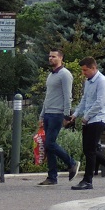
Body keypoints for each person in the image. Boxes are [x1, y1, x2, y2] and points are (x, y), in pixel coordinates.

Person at [65, 57, 105, 190]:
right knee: (89, 150)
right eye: (82, 70)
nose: (83, 73)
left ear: (93, 68)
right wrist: (75, 114)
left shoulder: (103, 82)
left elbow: (99, 103)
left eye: (85, 70)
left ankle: (87, 180)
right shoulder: (88, 81)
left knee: (90, 151)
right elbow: (84, 100)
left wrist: (86, 116)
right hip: (89, 120)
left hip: (98, 120)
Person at [37, 49, 78, 185]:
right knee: (48, 146)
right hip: (48, 113)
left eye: (53, 56)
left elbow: (68, 96)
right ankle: (52, 176)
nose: (50, 58)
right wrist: (42, 115)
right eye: (49, 56)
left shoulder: (65, 75)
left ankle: (71, 163)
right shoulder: (51, 75)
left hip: (57, 114)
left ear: (60, 58)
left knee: (50, 143)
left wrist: (66, 115)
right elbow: (48, 97)